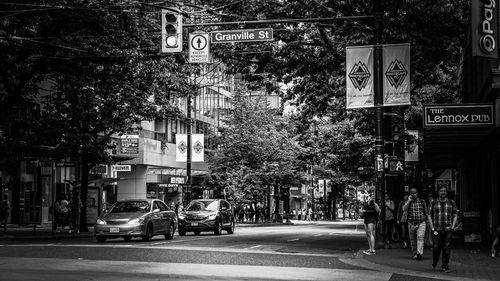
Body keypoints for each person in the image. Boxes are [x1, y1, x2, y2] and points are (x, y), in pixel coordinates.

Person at [427, 187, 458, 273]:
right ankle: (435, 261)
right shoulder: (433, 202)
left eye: (444, 191)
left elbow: (455, 215)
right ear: (438, 192)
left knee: (447, 248)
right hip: (437, 229)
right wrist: (432, 227)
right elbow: (429, 215)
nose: (443, 192)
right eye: (441, 191)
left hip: (448, 229)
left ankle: (445, 265)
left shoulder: (451, 202)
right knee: (436, 247)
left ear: (446, 192)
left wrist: (452, 227)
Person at [403, 188, 428, 260]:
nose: (414, 194)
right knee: (413, 240)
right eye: (412, 193)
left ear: (417, 193)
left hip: (421, 223)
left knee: (420, 237)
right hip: (411, 223)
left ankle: (419, 253)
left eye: (415, 193)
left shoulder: (422, 201)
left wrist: (426, 220)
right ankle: (415, 253)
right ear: (410, 194)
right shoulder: (409, 202)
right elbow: (404, 209)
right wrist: (409, 200)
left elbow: (426, 212)